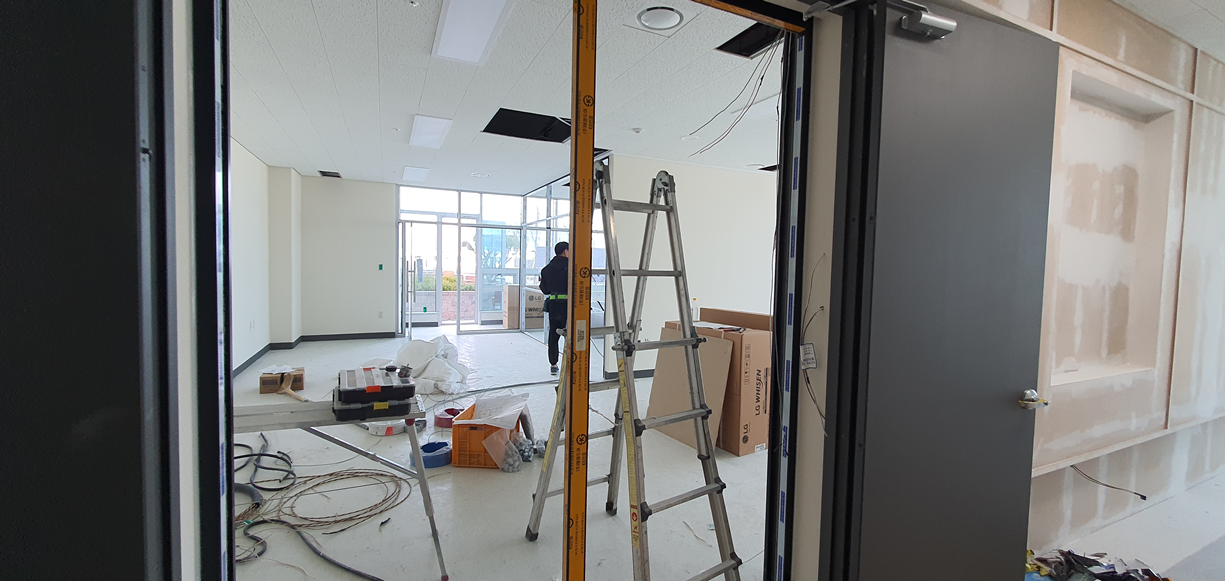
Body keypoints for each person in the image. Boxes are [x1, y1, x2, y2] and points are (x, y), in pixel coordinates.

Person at [539, 241, 569, 375]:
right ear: (566, 251)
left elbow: (545, 290)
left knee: (553, 335)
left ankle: (553, 364)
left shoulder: (546, 269)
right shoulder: (572, 267)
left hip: (554, 305)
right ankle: (571, 363)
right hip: (569, 305)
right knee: (572, 335)